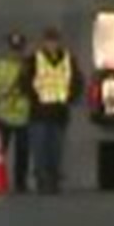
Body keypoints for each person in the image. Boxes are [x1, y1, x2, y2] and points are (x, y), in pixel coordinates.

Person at [21, 25, 82, 194]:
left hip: (59, 113)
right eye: (49, 41)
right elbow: (24, 82)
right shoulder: (33, 60)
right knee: (39, 149)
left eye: (54, 41)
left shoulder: (68, 60)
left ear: (59, 42)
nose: (52, 44)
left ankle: (54, 179)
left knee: (56, 149)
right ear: (43, 42)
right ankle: (42, 180)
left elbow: (77, 81)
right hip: (39, 113)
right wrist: (34, 98)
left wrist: (71, 97)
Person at [0, 30, 33, 193]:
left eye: (18, 49)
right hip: (3, 115)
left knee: (22, 153)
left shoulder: (29, 68)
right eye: (14, 49)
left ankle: (20, 183)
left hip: (24, 115)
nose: (16, 52)